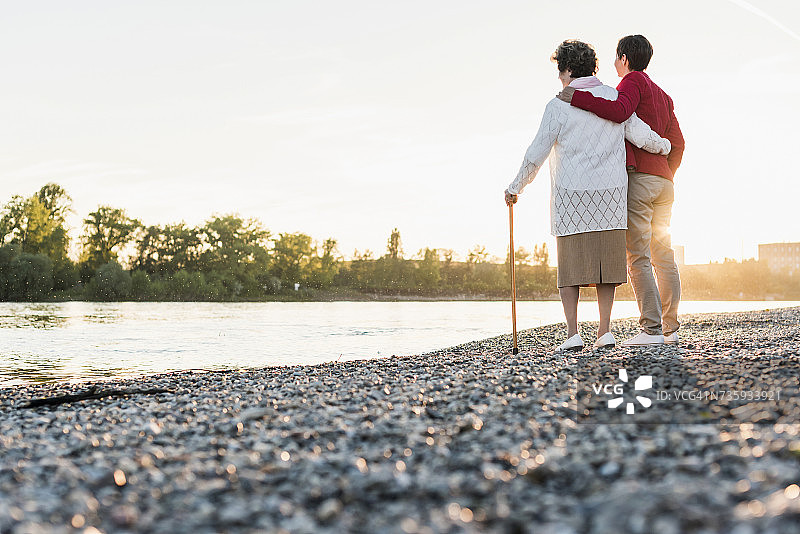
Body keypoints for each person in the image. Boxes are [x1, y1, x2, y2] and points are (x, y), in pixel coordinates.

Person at [505, 39, 671, 352]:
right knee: (606, 269)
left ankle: (573, 334)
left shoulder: (558, 105)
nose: (559, 77)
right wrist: (665, 146)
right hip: (611, 198)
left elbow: (537, 152)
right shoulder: (613, 96)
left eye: (560, 70)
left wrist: (515, 187)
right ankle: (604, 332)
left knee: (570, 270)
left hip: (572, 198)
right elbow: (640, 134)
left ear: (568, 69)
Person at [557, 35, 685, 346]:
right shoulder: (664, 96)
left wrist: (576, 97)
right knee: (663, 255)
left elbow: (619, 111)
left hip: (640, 179)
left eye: (617, 57)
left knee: (638, 255)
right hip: (665, 182)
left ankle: (651, 330)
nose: (615, 64)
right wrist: (667, 173)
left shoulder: (632, 82)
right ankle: (670, 327)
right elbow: (679, 143)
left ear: (625, 58)